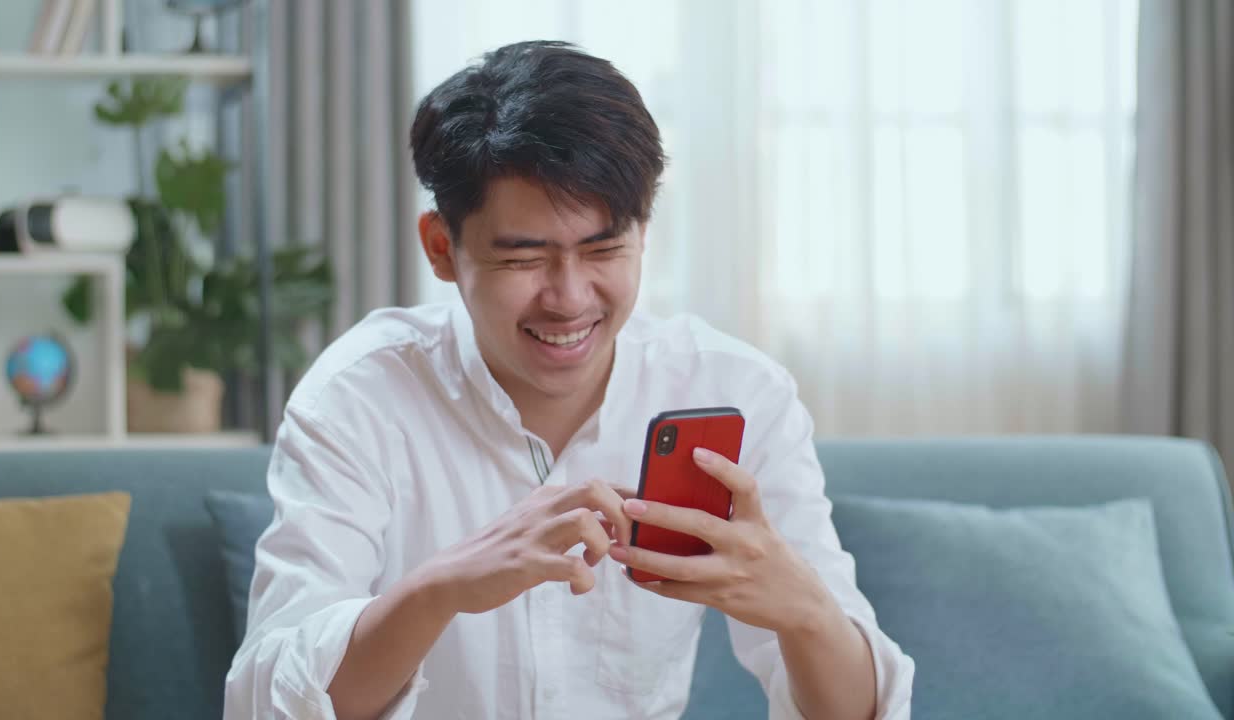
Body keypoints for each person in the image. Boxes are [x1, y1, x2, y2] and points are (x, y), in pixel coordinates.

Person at [224, 40, 914, 720]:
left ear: (644, 232)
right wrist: (442, 588)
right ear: (441, 247)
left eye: (603, 249)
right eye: (526, 258)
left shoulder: (736, 390)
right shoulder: (360, 396)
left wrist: (805, 613)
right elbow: (265, 703)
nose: (570, 297)